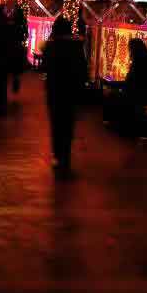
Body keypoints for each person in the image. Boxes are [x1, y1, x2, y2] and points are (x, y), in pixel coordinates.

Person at [42, 16, 87, 175]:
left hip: (55, 91)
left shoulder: (51, 46)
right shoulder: (76, 46)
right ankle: (65, 157)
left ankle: (57, 155)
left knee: (56, 124)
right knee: (68, 125)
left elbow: (45, 67)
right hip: (71, 91)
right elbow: (82, 69)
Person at [104, 37, 147, 135]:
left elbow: (130, 82)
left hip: (136, 95)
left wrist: (115, 85)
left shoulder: (138, 62)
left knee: (112, 94)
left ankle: (115, 124)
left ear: (133, 49)